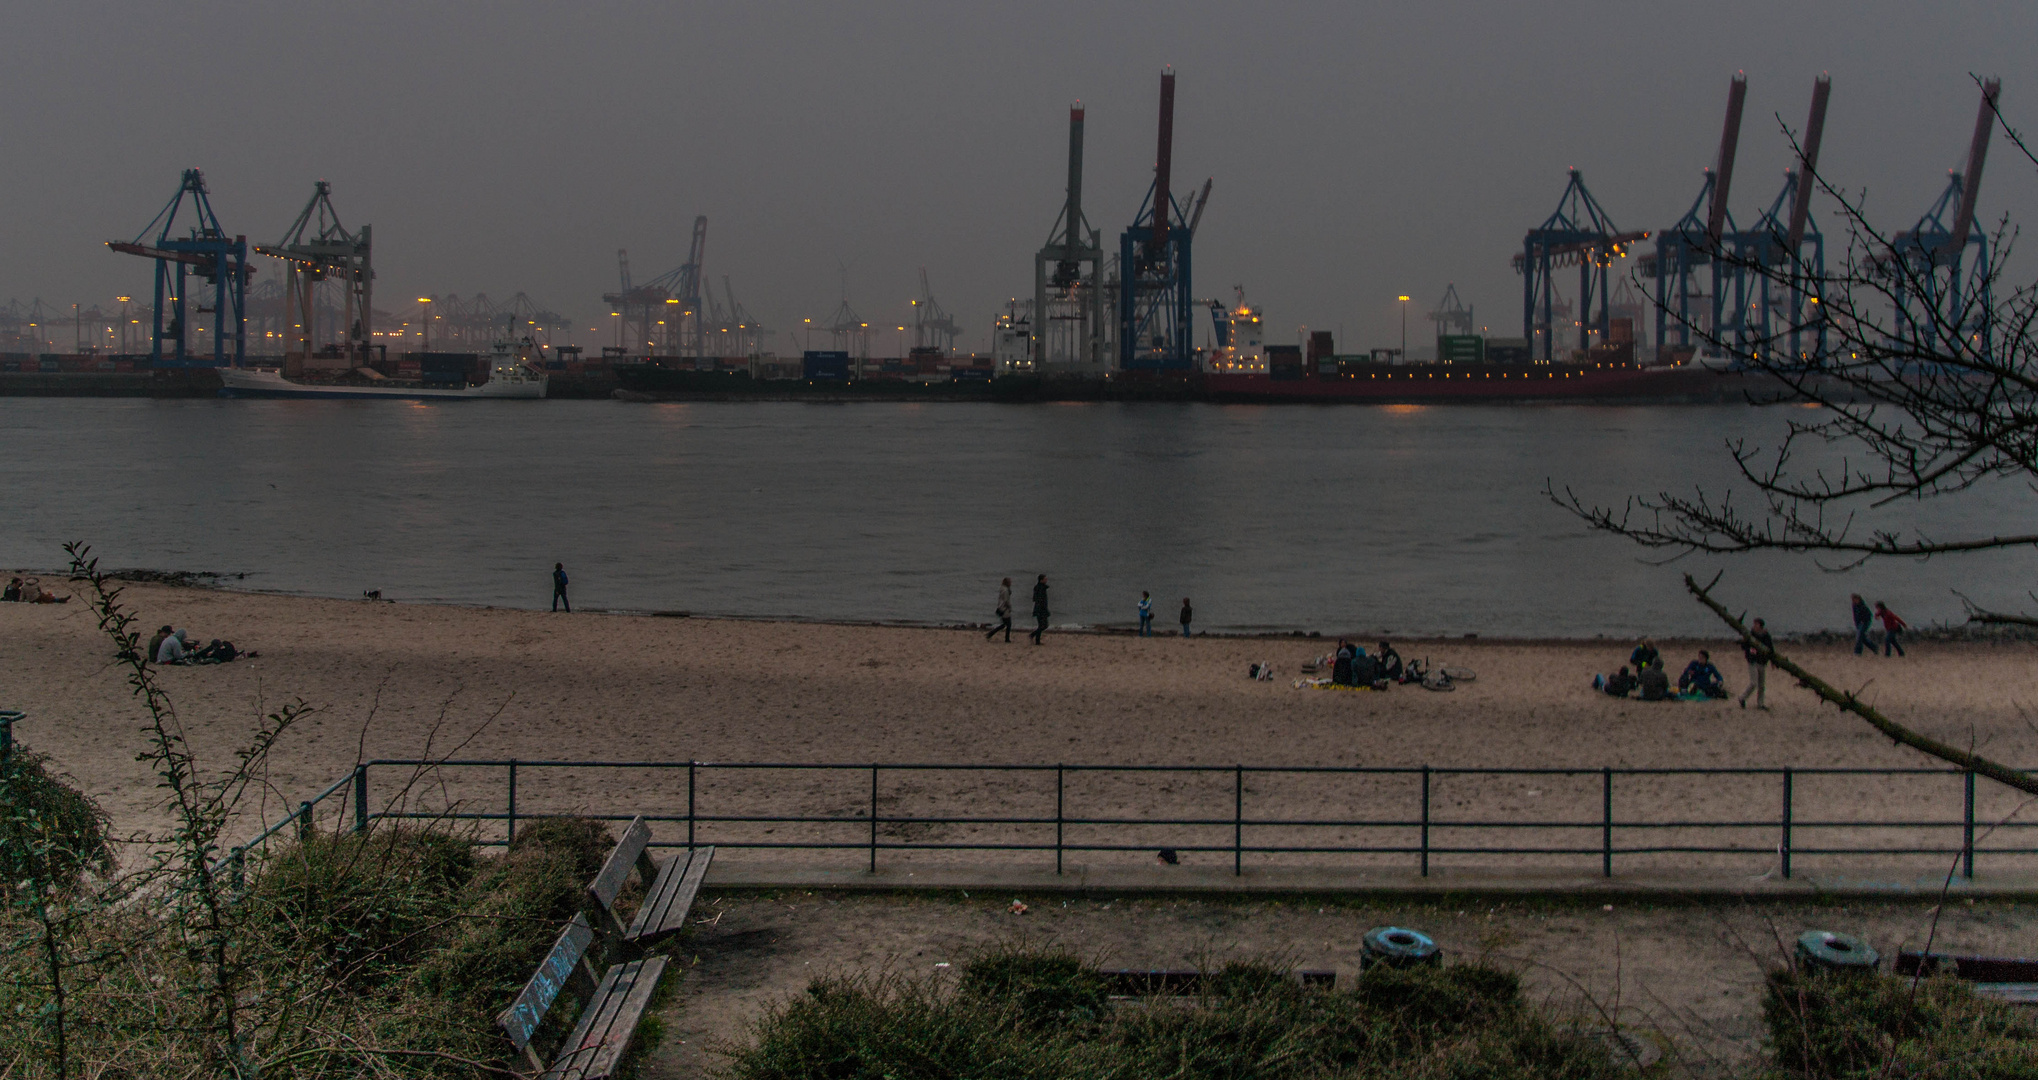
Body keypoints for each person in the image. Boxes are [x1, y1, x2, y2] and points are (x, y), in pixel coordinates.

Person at [1739, 617, 1774, 710]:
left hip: (1762, 662)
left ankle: (1760, 704)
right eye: (1754, 624)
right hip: (1753, 662)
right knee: (1754, 683)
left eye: (1756, 624)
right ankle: (1742, 698)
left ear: (1760, 625)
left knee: (1761, 685)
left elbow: (1770, 649)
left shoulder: (1766, 636)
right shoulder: (1750, 635)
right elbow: (1743, 646)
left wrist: (1772, 661)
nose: (1754, 626)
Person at [987, 578, 1012, 642]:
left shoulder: (1002, 589)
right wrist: (1009, 607)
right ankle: (1006, 639)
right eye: (1010, 582)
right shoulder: (1005, 590)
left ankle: (990, 634)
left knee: (1004, 624)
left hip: (1001, 607)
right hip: (1004, 609)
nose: (1011, 583)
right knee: (1008, 624)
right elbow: (1006, 600)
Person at [1030, 575, 1050, 645]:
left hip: (1039, 609)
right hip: (1040, 609)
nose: (1046, 580)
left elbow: (1035, 598)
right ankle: (1034, 637)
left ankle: (1035, 638)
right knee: (1043, 625)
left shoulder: (1040, 587)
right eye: (1045, 579)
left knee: (1042, 625)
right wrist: (1044, 610)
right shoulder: (1040, 588)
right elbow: (1040, 600)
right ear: (1041, 580)